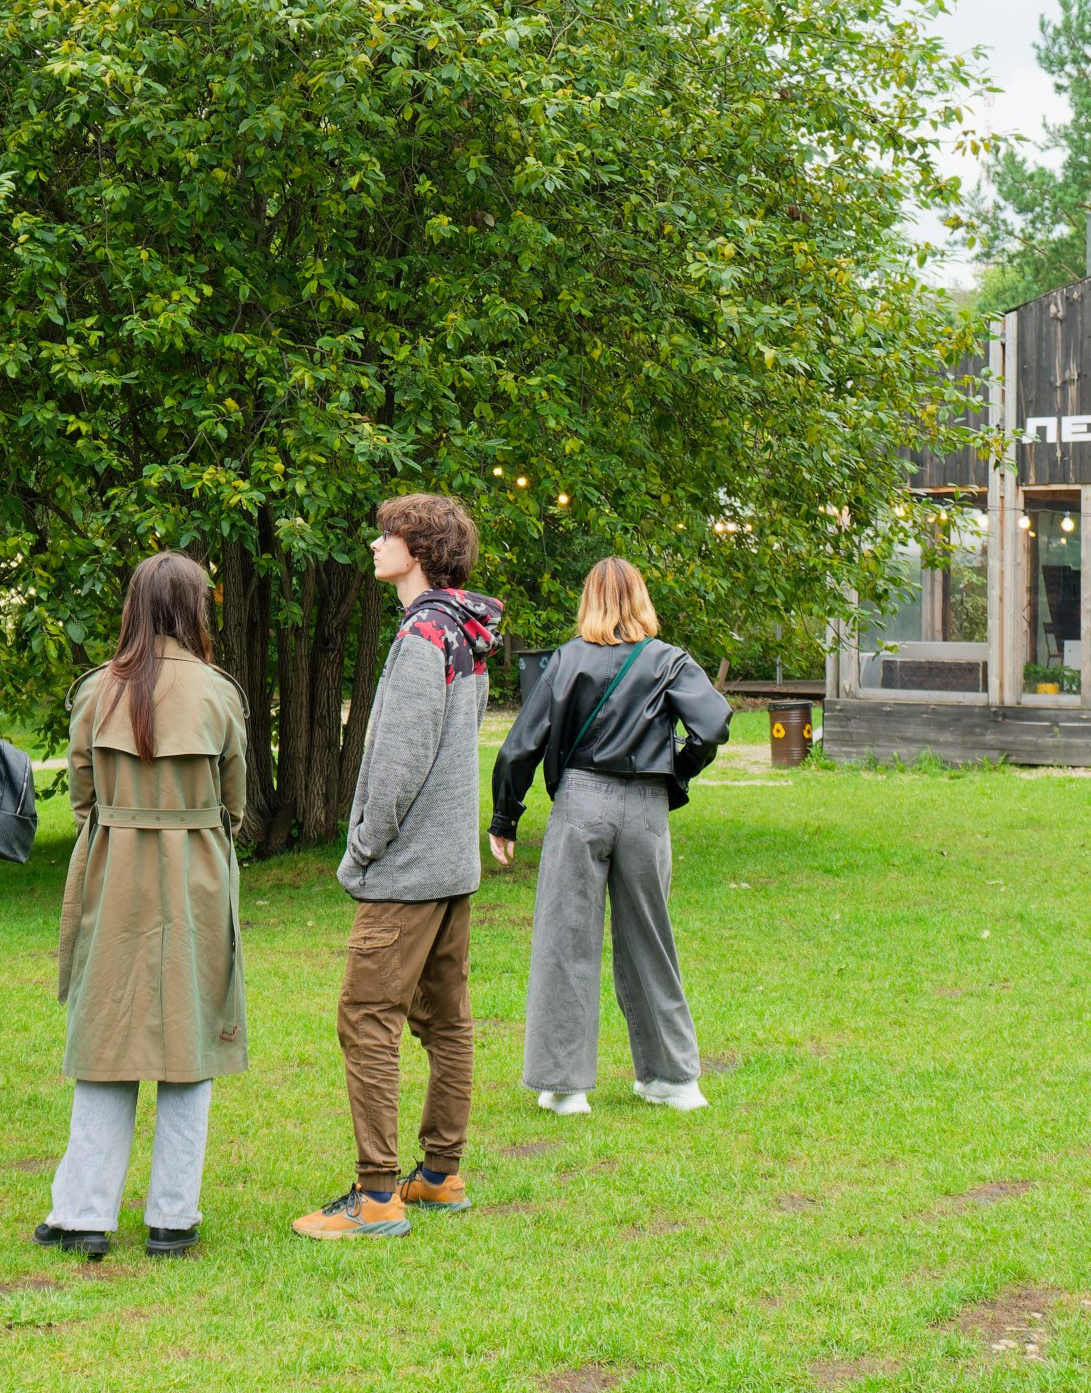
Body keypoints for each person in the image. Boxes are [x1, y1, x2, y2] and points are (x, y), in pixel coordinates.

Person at [295, 495, 504, 1241]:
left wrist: (362, 850)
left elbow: (400, 764)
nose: (376, 543)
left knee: (367, 1017)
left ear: (417, 548)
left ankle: (378, 1192)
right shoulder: (463, 628)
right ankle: (440, 1177)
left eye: (387, 534)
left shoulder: (423, 633)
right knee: (447, 1020)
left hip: (411, 868)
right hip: (450, 863)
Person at [36, 553, 248, 1261]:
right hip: (196, 871)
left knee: (106, 1038)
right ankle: (172, 1216)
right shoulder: (219, 693)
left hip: (114, 868)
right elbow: (235, 802)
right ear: (196, 607)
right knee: (188, 1041)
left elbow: (82, 796)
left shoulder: (96, 690)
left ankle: (84, 1212)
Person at [489, 556, 731, 1116]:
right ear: (642, 598)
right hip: (647, 806)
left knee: (565, 939)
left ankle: (565, 1086)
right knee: (651, 937)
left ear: (588, 600)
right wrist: (678, 769)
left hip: (580, 802)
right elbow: (713, 725)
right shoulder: (669, 661)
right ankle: (674, 1079)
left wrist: (505, 818)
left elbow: (521, 745)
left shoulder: (566, 659)